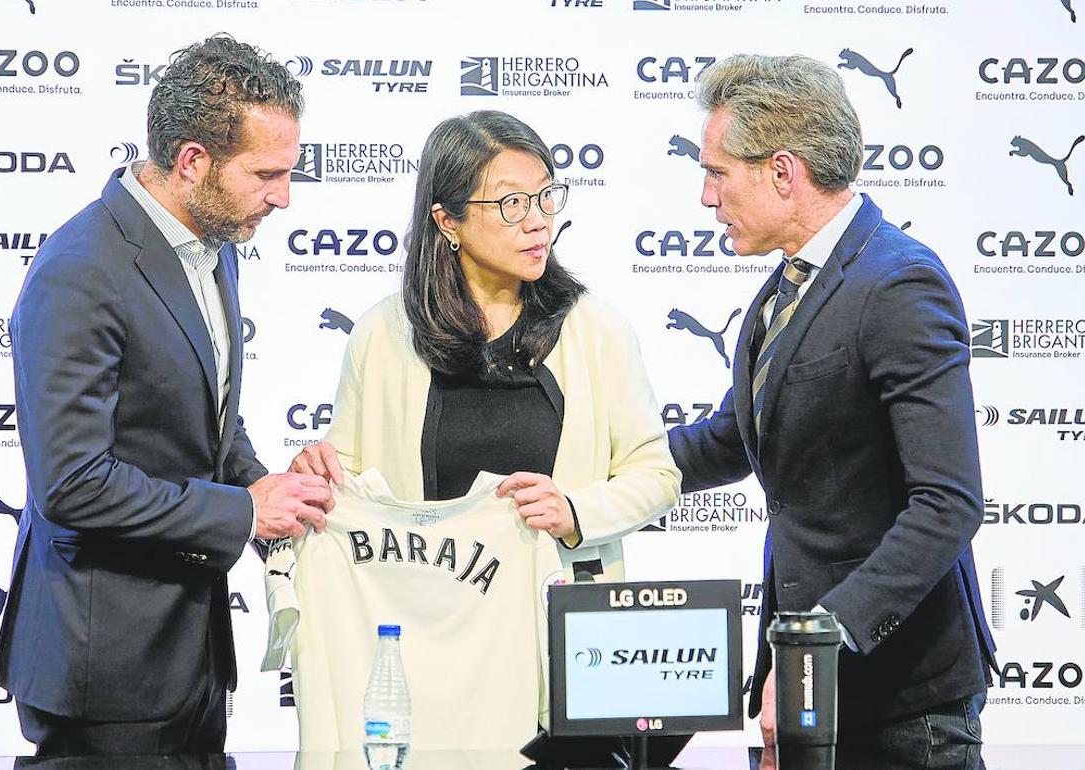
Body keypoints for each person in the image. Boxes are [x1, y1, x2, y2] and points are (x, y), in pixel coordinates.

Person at [289, 109, 681, 754]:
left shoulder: (597, 329)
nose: (538, 219)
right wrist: (321, 474)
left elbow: (656, 473)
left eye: (547, 196)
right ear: (447, 221)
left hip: (563, 646)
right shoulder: (382, 336)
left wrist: (575, 508)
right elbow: (354, 480)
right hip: (429, 639)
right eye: (510, 204)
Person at [0, 35, 332, 756]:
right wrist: (242, 510)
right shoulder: (80, 270)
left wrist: (262, 482)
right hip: (103, 675)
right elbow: (74, 485)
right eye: (266, 174)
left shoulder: (216, 241)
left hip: (191, 662)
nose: (284, 196)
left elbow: (204, 416)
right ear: (192, 162)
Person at [666, 54, 997, 760]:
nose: (705, 196)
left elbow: (947, 504)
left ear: (782, 172)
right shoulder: (789, 283)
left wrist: (814, 650)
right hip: (804, 691)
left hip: (901, 706)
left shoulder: (899, 283)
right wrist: (585, 473)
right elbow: (728, 439)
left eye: (717, 172)